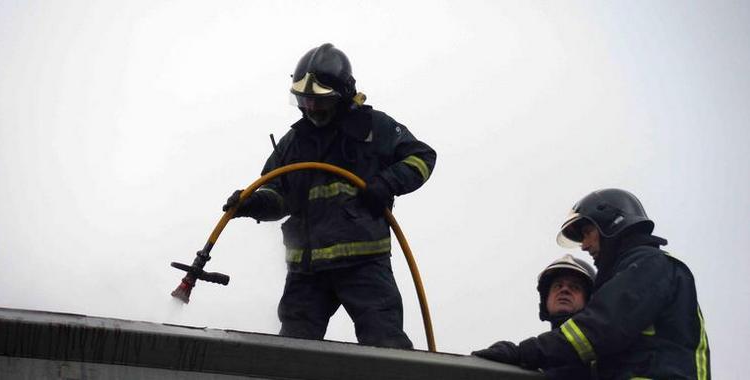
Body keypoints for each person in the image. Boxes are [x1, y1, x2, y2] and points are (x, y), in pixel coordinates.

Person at [222, 43, 436, 349]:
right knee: (290, 355)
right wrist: (253, 203)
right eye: (304, 100)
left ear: (343, 95)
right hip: (307, 271)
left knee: (386, 348)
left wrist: (387, 182)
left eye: (318, 101)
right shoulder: (294, 143)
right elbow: (278, 194)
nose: (310, 108)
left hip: (362, 264)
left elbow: (422, 158)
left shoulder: (374, 128)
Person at [475, 188, 710, 379]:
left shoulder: (650, 265)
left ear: (611, 223)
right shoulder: (643, 268)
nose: (584, 246)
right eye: (557, 286)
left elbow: (598, 330)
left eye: (587, 233)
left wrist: (521, 353)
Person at [473, 254, 595, 379]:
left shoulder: (600, 349)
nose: (564, 290)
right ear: (545, 299)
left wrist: (520, 353)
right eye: (557, 286)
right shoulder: (540, 365)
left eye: (574, 287)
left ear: (589, 300)